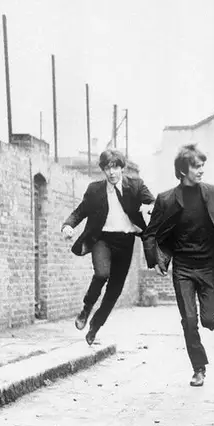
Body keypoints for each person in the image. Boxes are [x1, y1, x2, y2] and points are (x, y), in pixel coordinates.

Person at [144, 144, 214, 388]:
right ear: (182, 170)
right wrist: (155, 260)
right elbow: (150, 233)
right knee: (188, 320)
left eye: (202, 166)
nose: (201, 170)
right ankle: (199, 368)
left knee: (209, 320)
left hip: (208, 266)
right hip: (183, 268)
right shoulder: (166, 199)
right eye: (196, 166)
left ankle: (208, 323)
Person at [60, 148, 154, 346]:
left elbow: (152, 202)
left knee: (114, 291)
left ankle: (95, 325)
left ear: (122, 168)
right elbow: (80, 212)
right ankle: (86, 308)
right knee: (102, 274)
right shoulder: (95, 189)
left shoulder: (136, 185)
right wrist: (68, 225)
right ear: (103, 170)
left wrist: (151, 208)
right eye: (107, 168)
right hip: (102, 239)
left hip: (126, 241)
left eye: (115, 167)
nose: (112, 172)